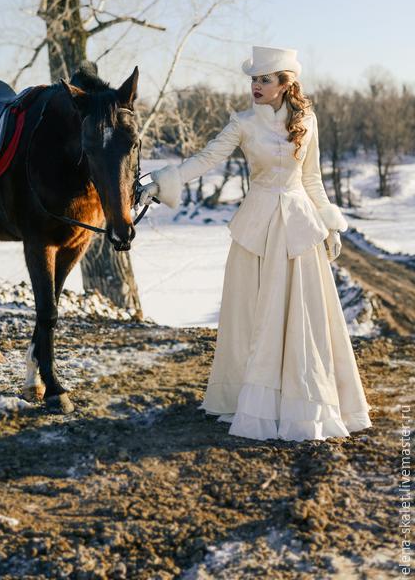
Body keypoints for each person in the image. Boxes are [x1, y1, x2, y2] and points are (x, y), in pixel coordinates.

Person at [139, 46, 372, 442]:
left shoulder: (307, 122)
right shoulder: (242, 123)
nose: (255, 86)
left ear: (285, 83)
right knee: (251, 314)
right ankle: (251, 399)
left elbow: (312, 178)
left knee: (304, 318)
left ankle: (302, 401)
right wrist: (162, 182)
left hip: (299, 229)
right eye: (253, 79)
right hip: (256, 230)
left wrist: (330, 224)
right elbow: (206, 158)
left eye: (264, 79)